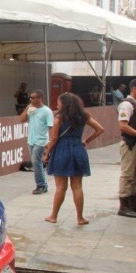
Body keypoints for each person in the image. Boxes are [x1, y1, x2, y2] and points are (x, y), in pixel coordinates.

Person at [42, 93, 104, 225]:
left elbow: (54, 138)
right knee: (77, 187)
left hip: (61, 150)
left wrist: (46, 154)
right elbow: (100, 129)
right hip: (78, 149)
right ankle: (80, 218)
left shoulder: (59, 117)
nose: (57, 105)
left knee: (60, 187)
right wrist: (86, 141)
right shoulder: (84, 116)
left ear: (64, 104)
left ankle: (53, 216)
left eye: (58, 103)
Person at [20, 89, 54, 194]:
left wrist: (49, 142)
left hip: (41, 140)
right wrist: (27, 109)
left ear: (40, 98)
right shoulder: (31, 109)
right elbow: (22, 119)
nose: (31, 100)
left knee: (36, 161)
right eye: (30, 98)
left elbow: (51, 127)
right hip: (31, 140)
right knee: (36, 162)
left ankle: (41, 185)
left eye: (33, 98)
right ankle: (42, 184)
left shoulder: (47, 111)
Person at [116, 79, 136, 218]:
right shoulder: (126, 105)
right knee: (128, 174)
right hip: (129, 144)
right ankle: (124, 206)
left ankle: (132, 204)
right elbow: (123, 126)